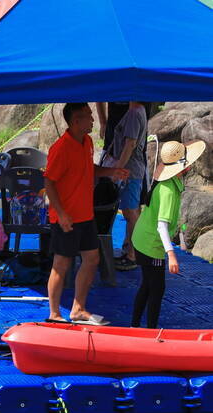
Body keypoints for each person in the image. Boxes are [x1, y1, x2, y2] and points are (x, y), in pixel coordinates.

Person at [44, 103, 129, 325]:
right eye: (88, 117)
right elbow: (49, 182)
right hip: (65, 217)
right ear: (75, 121)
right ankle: (54, 314)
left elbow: (88, 168)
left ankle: (78, 309)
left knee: (92, 259)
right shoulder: (60, 148)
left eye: (92, 116)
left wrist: (111, 172)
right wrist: (61, 214)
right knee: (61, 264)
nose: (93, 120)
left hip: (85, 214)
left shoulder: (88, 142)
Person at [131, 140, 205, 328]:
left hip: (141, 238)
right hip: (150, 244)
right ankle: (150, 331)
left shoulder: (167, 181)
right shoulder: (168, 190)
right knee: (156, 289)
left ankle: (135, 325)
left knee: (148, 285)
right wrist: (171, 254)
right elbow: (161, 226)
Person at [99, 102, 148, 271]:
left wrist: (117, 170)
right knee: (130, 211)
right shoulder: (134, 111)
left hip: (130, 171)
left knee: (130, 212)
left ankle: (134, 254)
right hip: (128, 169)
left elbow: (130, 144)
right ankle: (132, 250)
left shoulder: (134, 113)